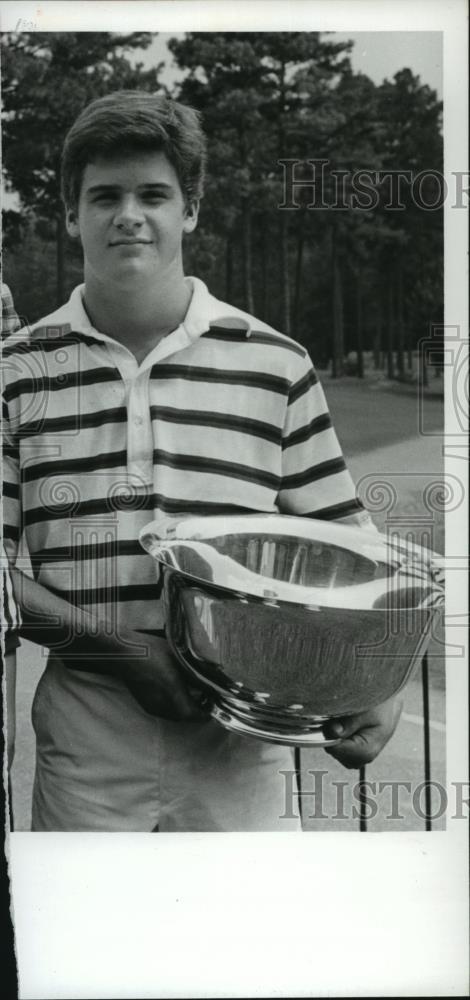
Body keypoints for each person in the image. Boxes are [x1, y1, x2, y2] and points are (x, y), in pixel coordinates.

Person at [2, 91, 402, 833]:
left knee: (238, 947)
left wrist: (379, 684)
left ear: (190, 209)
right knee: (92, 949)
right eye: (104, 196)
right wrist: (125, 654)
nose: (130, 214)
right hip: (90, 735)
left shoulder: (275, 363)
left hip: (247, 742)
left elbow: (353, 553)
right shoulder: (16, 371)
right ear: (70, 214)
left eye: (154, 194)